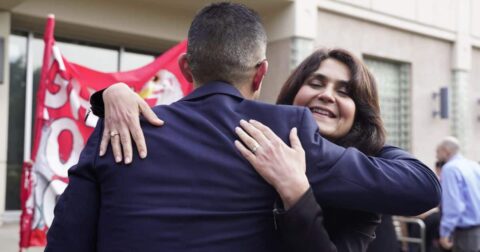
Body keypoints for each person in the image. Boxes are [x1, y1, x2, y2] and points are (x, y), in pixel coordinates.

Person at [47, 2, 440, 251]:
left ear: (186, 69)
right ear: (262, 74)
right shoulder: (286, 135)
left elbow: (66, 242)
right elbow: (422, 188)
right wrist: (112, 93)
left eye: (343, 91)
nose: (326, 97)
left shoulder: (119, 131)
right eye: (316, 83)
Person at [436, 137, 480, 252]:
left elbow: (453, 204)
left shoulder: (450, 169)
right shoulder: (473, 165)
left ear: (446, 151)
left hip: (463, 231)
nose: (436, 155)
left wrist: (445, 232)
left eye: (438, 151)